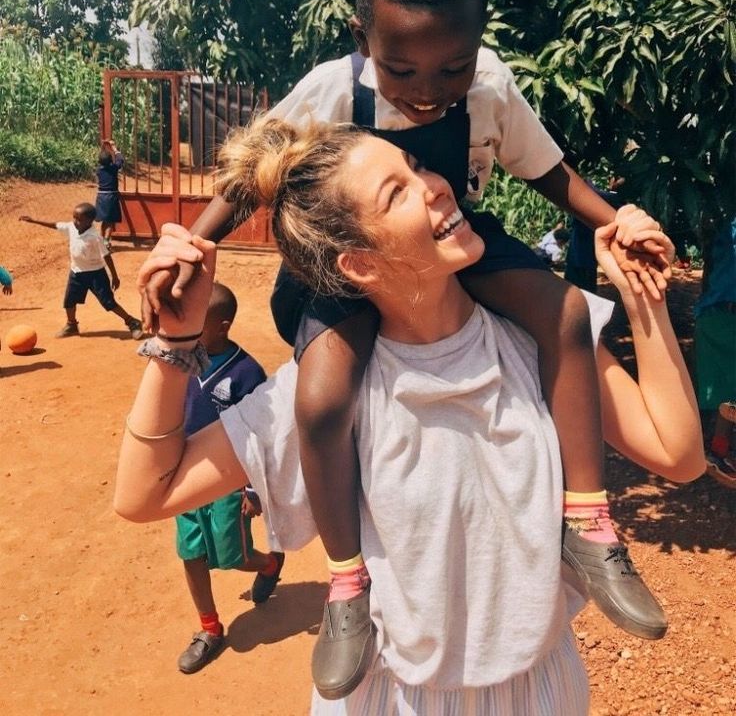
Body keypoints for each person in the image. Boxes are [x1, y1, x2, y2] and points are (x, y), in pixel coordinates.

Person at [141, 0, 672, 696]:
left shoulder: (491, 85)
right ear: (363, 37)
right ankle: (349, 583)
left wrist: (613, 219)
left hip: (458, 237)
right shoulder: (331, 86)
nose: (429, 93)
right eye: (402, 71)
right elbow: (248, 170)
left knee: (563, 317)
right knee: (322, 399)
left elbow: (547, 169)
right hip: (351, 267)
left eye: (451, 70)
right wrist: (195, 240)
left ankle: (588, 523)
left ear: (479, 43)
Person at [117, 119, 704, 713]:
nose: (435, 186)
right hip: (391, 698)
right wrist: (174, 342)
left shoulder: (536, 342)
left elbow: (678, 456)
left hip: (541, 691)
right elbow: (144, 493)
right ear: (362, 265)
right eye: (396, 192)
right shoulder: (324, 398)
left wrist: (642, 293)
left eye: (416, 166)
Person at [174, 281, 285, 674]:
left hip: (228, 481)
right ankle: (209, 628)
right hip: (186, 479)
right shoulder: (185, 357)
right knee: (191, 553)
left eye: (197, 322)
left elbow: (262, 434)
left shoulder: (246, 372)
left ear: (221, 326)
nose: (188, 328)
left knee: (231, 557)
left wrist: (253, 488)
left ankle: (269, 564)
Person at [19, 203, 143, 339]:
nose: (75, 221)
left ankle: (132, 322)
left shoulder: (94, 237)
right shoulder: (71, 227)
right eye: (74, 217)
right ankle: (71, 325)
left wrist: (115, 276)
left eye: (79, 219)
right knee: (69, 301)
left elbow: (106, 256)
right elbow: (55, 225)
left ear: (89, 221)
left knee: (108, 302)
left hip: (96, 274)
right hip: (76, 272)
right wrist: (34, 221)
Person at [694, 218, 736, 486]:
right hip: (722, 316)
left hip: (715, 315)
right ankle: (712, 452)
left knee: (725, 392)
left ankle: (717, 452)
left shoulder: (727, 226)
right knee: (724, 391)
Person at [565, 177, 625, 294]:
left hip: (582, 255)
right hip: (584, 254)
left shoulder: (598, 198)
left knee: (580, 288)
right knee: (582, 288)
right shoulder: (603, 199)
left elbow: (598, 195)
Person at [96, 139, 124, 249]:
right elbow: (120, 160)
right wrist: (114, 148)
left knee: (104, 220)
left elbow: (103, 159)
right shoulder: (113, 169)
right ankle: (106, 242)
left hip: (101, 196)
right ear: (111, 161)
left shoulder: (99, 170)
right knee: (110, 221)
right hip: (111, 196)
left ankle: (102, 241)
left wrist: (103, 147)